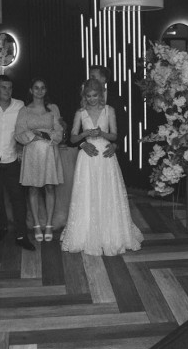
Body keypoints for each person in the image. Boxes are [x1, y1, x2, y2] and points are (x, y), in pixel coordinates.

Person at [61, 79, 142, 256]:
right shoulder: (80, 113)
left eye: (95, 95)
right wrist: (85, 135)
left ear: (101, 95)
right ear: (84, 96)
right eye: (88, 96)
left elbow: (114, 135)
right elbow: (72, 138)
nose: (92, 99)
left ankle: (110, 234)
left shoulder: (109, 110)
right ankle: (85, 234)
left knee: (107, 193)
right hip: (87, 158)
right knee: (87, 193)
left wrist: (101, 133)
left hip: (106, 157)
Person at [0, 75, 36, 250]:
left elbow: (26, 127)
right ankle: (2, 227)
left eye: (10, 87)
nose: (7, 91)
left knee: (18, 198)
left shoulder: (19, 105)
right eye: (3, 87)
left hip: (12, 158)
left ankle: (22, 235)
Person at [14, 78, 64, 243]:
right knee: (33, 189)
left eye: (42, 88)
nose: (39, 91)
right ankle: (36, 224)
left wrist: (48, 135)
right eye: (36, 88)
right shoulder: (24, 110)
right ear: (31, 90)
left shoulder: (53, 108)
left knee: (50, 187)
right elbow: (19, 133)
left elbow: (59, 131)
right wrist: (33, 135)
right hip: (32, 152)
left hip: (49, 151)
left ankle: (48, 224)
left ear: (46, 90)